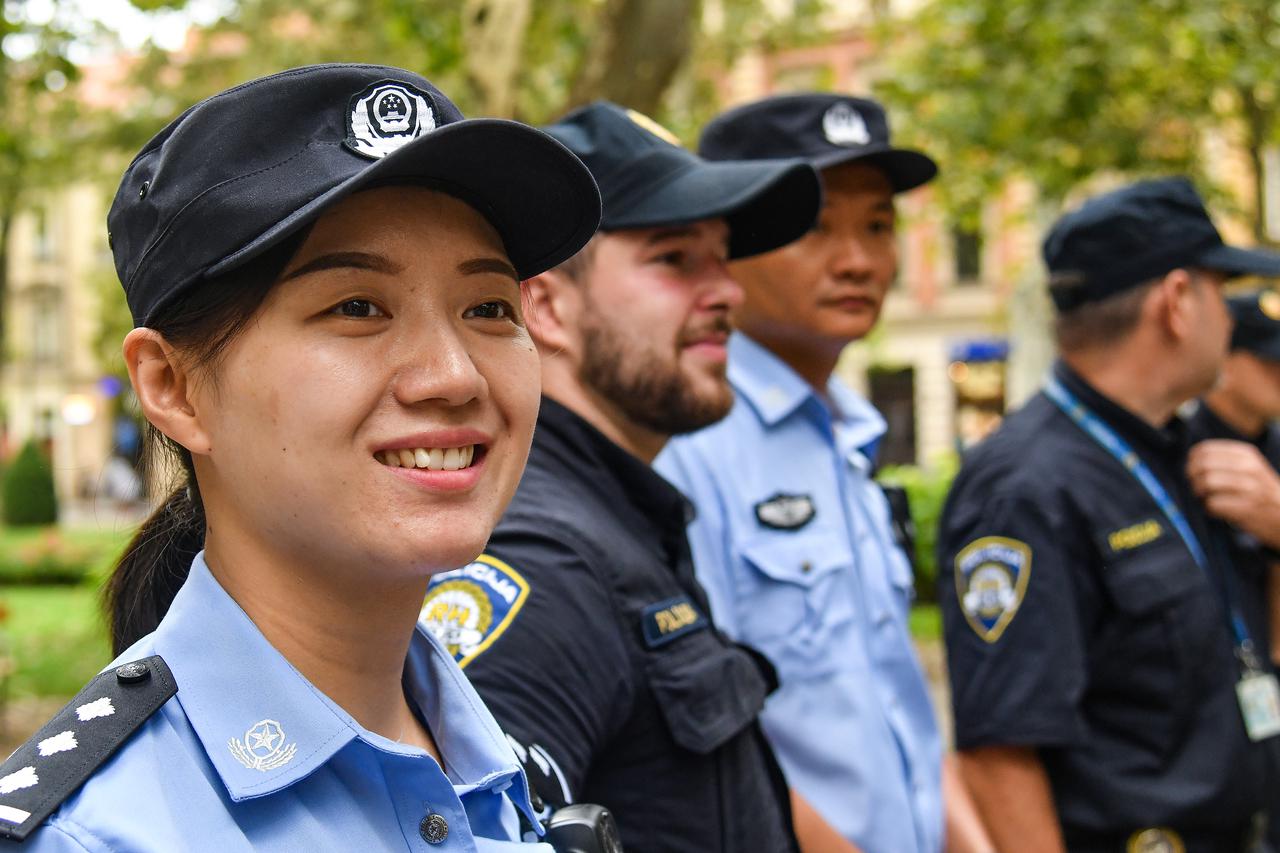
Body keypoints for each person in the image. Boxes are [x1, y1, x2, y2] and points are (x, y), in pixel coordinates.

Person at [0, 63, 603, 851]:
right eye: (357, 307)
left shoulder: (491, 763)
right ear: (174, 387)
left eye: (489, 307)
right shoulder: (96, 834)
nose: (455, 375)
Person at [418, 101, 821, 852]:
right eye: (675, 258)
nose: (728, 291)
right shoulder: (545, 558)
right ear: (546, 307)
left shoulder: (615, 515)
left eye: (723, 256)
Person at [655, 92, 991, 853]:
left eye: (878, 224)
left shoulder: (851, 433)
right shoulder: (689, 444)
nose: (859, 260)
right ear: (727, 241)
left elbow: (901, 708)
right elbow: (724, 740)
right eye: (815, 225)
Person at [938, 176, 1280, 853]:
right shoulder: (1027, 487)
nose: (1230, 319)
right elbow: (1002, 753)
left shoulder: (1181, 452)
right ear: (1178, 302)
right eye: (1221, 293)